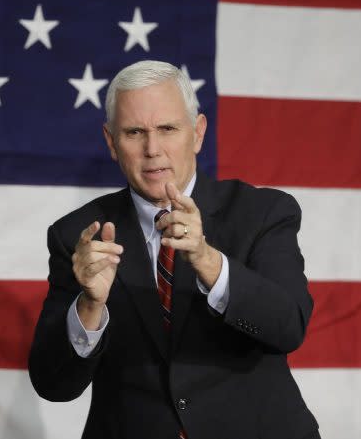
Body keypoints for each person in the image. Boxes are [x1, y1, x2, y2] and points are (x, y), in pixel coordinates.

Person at [28, 60, 320, 439]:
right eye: (134, 132)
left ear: (197, 133)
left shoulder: (262, 213)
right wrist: (88, 307)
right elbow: (54, 385)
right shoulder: (79, 236)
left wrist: (208, 261)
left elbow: (288, 327)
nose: (153, 149)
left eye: (167, 128)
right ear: (111, 142)